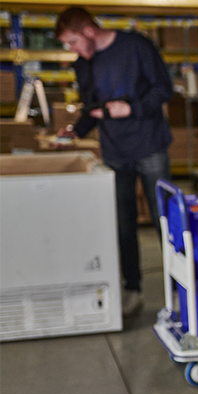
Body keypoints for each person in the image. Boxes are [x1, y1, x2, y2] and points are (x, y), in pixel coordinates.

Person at [56, 7, 174, 317]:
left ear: (89, 32)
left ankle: (180, 292)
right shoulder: (85, 63)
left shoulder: (136, 46)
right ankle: (132, 290)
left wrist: (130, 108)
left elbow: (164, 89)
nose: (72, 50)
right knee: (123, 225)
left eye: (72, 42)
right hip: (114, 152)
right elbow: (92, 107)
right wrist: (75, 131)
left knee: (165, 221)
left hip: (149, 145)